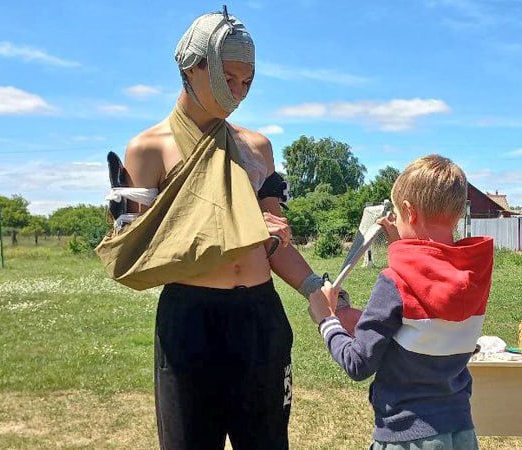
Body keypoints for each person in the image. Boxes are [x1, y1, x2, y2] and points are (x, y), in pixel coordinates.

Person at [109, 8, 357, 449]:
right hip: (191, 321)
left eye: (248, 82)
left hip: (259, 318)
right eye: (229, 78)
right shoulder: (148, 149)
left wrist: (314, 286)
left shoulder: (257, 148)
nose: (239, 93)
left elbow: (273, 243)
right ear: (192, 66)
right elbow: (139, 257)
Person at [310, 154, 494, 450]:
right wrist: (402, 245)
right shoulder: (474, 275)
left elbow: (358, 363)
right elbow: (423, 310)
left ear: (408, 211)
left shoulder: (394, 281)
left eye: (396, 211)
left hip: (406, 435)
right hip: (460, 431)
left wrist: (327, 318)